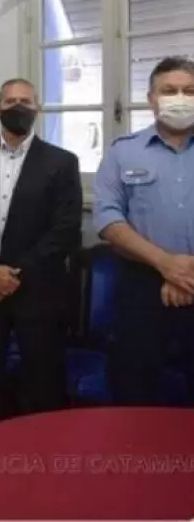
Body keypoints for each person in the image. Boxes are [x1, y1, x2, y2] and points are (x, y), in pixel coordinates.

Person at [0, 78, 82, 429]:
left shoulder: (62, 162)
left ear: (38, 109)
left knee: (43, 383)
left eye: (25, 101)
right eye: (10, 102)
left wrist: (10, 276)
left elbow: (65, 230)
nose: (18, 107)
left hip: (39, 292)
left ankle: (42, 454)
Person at [94, 56, 194, 406]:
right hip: (141, 285)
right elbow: (107, 217)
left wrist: (184, 272)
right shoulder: (124, 151)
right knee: (133, 390)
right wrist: (166, 264)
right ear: (152, 98)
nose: (180, 98)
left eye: (189, 91)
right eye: (169, 90)